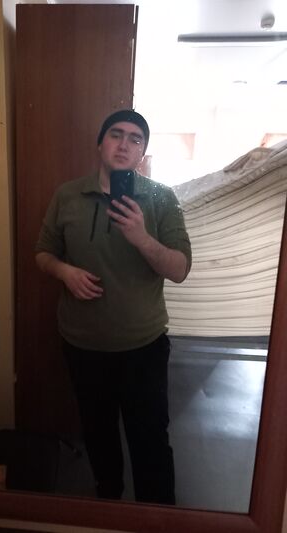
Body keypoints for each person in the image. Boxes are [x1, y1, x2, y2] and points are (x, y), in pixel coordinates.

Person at [35, 109, 192, 504]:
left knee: (149, 437)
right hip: (82, 344)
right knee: (97, 431)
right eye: (116, 134)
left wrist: (141, 237)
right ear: (100, 143)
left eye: (135, 138)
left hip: (143, 345)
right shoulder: (67, 195)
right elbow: (43, 252)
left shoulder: (162, 198)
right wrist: (64, 271)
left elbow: (179, 270)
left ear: (143, 152)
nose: (124, 144)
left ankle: (157, 514)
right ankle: (109, 501)